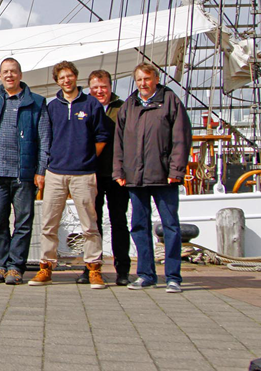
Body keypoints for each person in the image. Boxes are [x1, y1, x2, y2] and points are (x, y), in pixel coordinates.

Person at [29, 61, 108, 288]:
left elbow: (101, 137)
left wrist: (87, 157)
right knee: (49, 223)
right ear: (57, 81)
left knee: (89, 225)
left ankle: (94, 268)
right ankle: (46, 267)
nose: (66, 80)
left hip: (83, 173)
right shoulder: (52, 107)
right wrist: (43, 169)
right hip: (55, 172)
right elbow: (45, 139)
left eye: (69, 76)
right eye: (62, 77)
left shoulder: (91, 104)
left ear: (75, 77)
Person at [114, 63, 191, 293]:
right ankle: (146, 274)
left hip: (163, 176)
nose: (143, 83)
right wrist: (119, 171)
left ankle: (173, 277)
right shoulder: (129, 105)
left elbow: (181, 138)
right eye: (139, 79)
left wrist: (176, 171)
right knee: (139, 226)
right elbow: (119, 141)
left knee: (170, 226)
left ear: (156, 79)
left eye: (147, 79)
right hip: (135, 177)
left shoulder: (170, 101)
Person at [0, 58, 50, 285]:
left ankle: (16, 267)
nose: (9, 75)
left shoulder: (36, 102)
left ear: (20, 74)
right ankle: (2, 265)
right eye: (5, 72)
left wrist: (41, 170)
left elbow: (44, 139)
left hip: (24, 172)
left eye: (13, 71)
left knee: (23, 221)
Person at [87, 69, 131, 286]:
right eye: (95, 87)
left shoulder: (123, 108)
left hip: (116, 174)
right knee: (92, 224)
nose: (99, 91)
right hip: (91, 173)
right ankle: (91, 268)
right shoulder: (85, 108)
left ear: (111, 87)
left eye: (103, 87)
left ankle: (122, 270)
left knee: (119, 222)